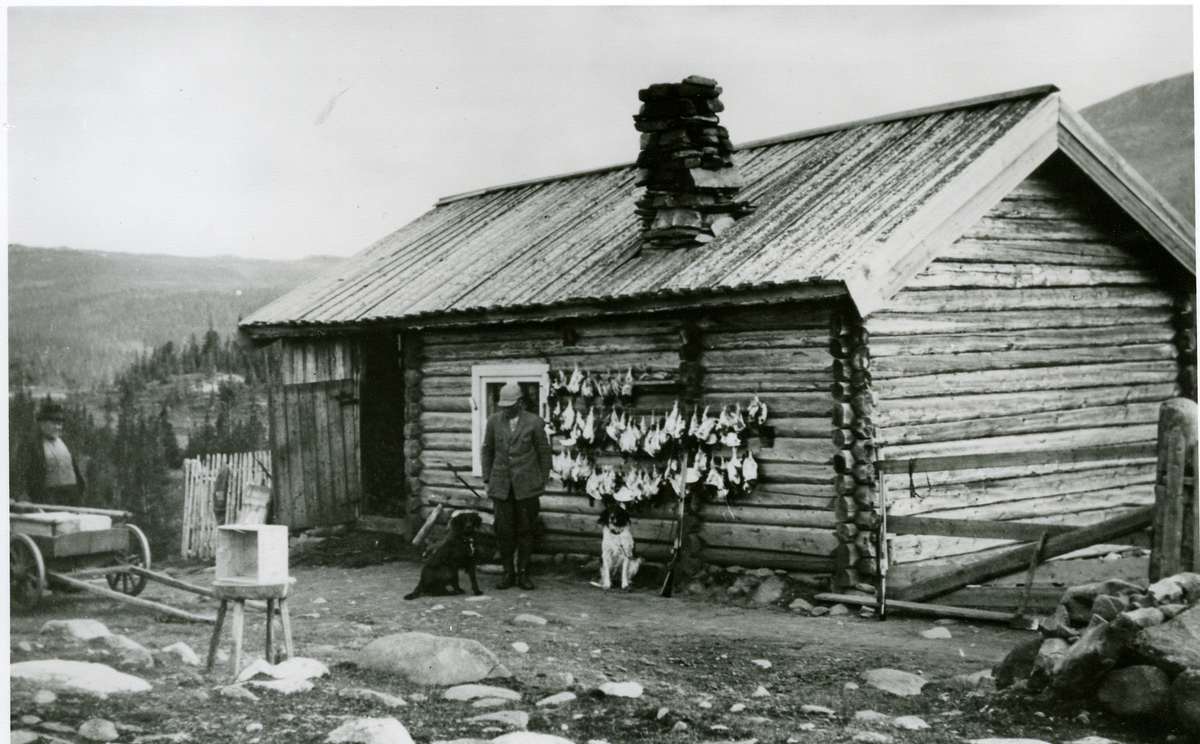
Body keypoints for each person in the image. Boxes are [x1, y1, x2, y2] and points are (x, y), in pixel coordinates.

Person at [480, 382, 552, 590]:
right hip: (501, 486)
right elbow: (487, 451)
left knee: (526, 530)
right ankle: (507, 573)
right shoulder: (493, 421)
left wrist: (542, 479)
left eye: (510, 404)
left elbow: (544, 453)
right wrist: (487, 479)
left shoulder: (535, 422)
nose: (506, 409)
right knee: (503, 530)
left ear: (521, 402)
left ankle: (523, 574)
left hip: (527, 486)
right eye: (503, 405)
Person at [15, 400, 86, 506]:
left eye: (60, 424)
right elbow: (19, 473)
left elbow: (76, 471)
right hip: (48, 497)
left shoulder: (66, 444)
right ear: (42, 424)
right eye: (53, 423)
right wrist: (18, 497)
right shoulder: (31, 445)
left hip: (72, 496)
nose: (57, 427)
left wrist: (79, 492)